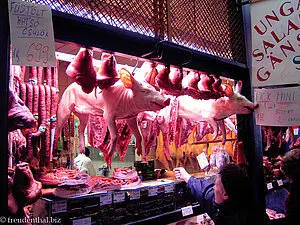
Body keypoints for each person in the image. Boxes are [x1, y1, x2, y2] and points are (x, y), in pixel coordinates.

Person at [174, 164, 268, 225]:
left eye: (216, 185)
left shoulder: (236, 219)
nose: (213, 187)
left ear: (226, 195)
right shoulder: (235, 204)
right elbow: (206, 193)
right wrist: (187, 178)